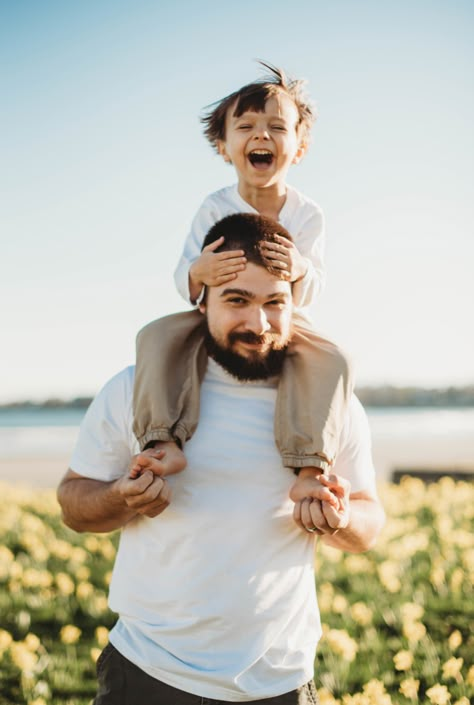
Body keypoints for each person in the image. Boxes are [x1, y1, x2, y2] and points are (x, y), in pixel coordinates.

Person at [57, 213, 385, 705]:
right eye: (237, 300)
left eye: (276, 302)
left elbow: (369, 522)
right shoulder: (136, 389)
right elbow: (73, 505)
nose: (258, 323)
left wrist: (337, 518)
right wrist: (122, 498)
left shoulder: (328, 406)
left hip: (280, 682)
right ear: (202, 299)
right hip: (149, 671)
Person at [132, 62, 352, 482]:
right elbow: (185, 281)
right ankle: (162, 439)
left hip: (280, 320)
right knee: (155, 338)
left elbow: (313, 288)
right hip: (216, 316)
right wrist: (201, 270)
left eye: (277, 127)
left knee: (332, 359)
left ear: (300, 148)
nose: (261, 135)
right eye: (246, 126)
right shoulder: (214, 207)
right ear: (223, 146)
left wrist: (301, 269)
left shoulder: (307, 214)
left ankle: (309, 460)